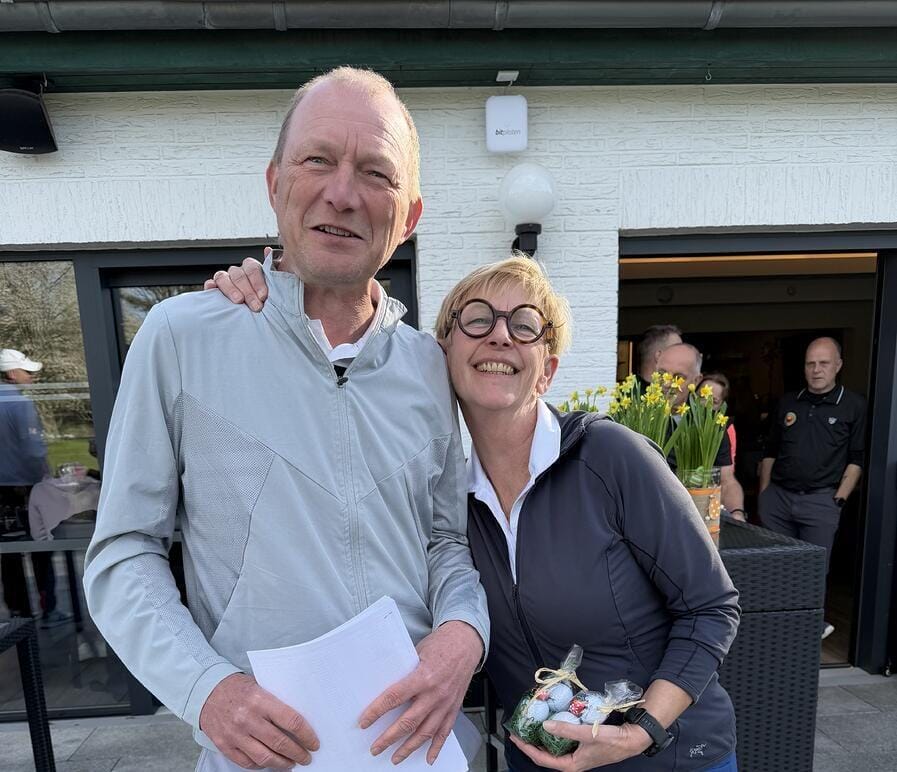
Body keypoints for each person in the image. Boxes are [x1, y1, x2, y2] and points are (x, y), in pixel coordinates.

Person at [84, 67, 489, 772]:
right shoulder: (181, 339)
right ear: (274, 184)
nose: (342, 193)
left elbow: (444, 541)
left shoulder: (428, 367)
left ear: (409, 216)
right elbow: (121, 555)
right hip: (264, 757)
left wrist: (463, 632)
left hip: (413, 751)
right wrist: (207, 691)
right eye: (317, 160)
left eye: (375, 173)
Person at [213, 255, 741, 771]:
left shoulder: (609, 457)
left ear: (547, 370)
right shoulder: (446, 504)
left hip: (667, 754)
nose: (500, 335)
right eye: (478, 319)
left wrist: (639, 731)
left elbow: (711, 608)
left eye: (526, 325)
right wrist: (282, 292)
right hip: (540, 759)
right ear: (440, 357)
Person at [758, 336, 865, 640]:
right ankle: (775, 628)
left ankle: (805, 632)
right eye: (811, 363)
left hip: (821, 500)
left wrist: (838, 500)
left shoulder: (853, 405)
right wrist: (766, 494)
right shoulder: (789, 401)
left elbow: (857, 459)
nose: (817, 370)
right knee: (774, 567)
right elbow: (771, 450)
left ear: (838, 366)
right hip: (778, 498)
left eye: (824, 363)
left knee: (814, 570)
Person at [0, 349, 67, 626]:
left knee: (9, 554)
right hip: (26, 488)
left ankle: (18, 612)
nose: (32, 377)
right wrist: (46, 478)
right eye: (27, 372)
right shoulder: (19, 404)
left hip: (2, 490)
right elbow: (32, 451)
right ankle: (48, 609)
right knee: (41, 548)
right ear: (12, 374)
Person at [656, 344, 746, 521]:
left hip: (695, 519)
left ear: (696, 381)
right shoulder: (634, 418)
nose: (667, 383)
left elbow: (727, 481)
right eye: (662, 374)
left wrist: (737, 513)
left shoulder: (711, 423)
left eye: (678, 377)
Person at [699, 373, 737, 465]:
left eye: (713, 401)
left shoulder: (724, 430)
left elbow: (727, 470)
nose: (706, 404)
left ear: (721, 405)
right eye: (702, 397)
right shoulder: (680, 423)